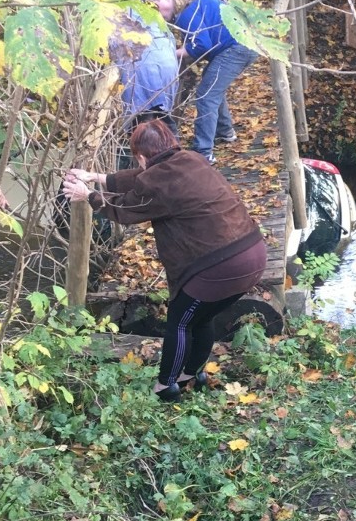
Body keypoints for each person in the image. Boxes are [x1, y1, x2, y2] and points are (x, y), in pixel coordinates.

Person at [63, 120, 267, 402]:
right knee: (201, 317)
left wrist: (89, 197)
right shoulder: (191, 159)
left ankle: (166, 386)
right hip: (254, 253)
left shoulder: (157, 179)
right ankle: (193, 374)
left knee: (180, 322)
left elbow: (125, 209)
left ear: (142, 156)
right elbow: (143, 178)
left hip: (221, 265)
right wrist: (96, 177)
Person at [170, 0, 258, 163]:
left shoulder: (187, 14)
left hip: (238, 48)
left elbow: (202, 45)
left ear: (176, 3)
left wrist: (173, 53)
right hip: (246, 41)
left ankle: (203, 152)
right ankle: (225, 131)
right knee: (212, 85)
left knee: (206, 95)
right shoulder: (197, 3)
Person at [113, 0, 182, 135]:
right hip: (167, 72)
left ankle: (144, 154)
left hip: (140, 77)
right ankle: (173, 153)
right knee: (163, 122)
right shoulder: (152, 16)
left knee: (141, 130)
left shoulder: (115, 18)